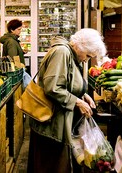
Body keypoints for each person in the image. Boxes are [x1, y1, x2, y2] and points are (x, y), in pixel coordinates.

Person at [27, 28, 107, 173]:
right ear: (79, 46)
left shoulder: (70, 54)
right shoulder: (62, 53)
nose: (86, 60)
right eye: (88, 56)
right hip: (50, 125)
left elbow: (69, 82)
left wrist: (83, 94)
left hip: (57, 122)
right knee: (50, 166)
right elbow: (53, 87)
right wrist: (77, 101)